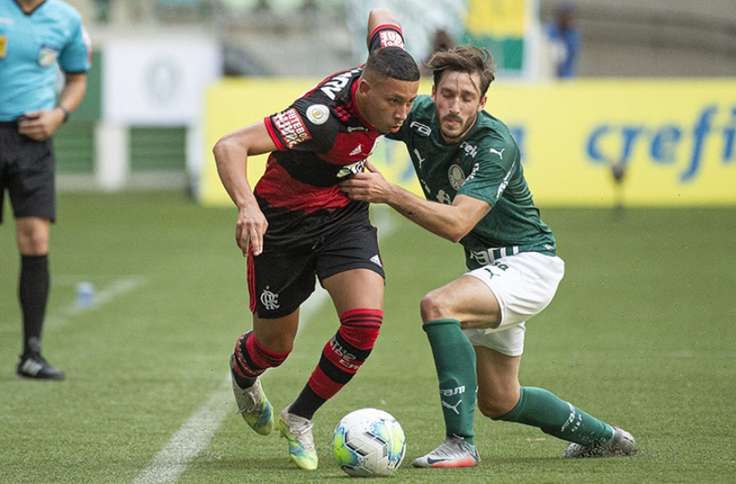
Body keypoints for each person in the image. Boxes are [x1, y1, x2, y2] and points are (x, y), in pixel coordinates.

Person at [340, 46, 636, 467]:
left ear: (482, 102)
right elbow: (366, 110)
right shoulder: (419, 115)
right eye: (447, 94)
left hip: (529, 264)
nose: (454, 106)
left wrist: (389, 192)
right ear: (434, 93)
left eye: (466, 97)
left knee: (438, 306)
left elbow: (458, 223)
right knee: (500, 400)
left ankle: (460, 443)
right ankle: (605, 437)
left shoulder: (495, 145)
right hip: (489, 269)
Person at [212, 9, 419, 471]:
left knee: (364, 323)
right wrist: (247, 207)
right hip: (282, 225)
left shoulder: (386, 61)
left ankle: (300, 415)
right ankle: (244, 375)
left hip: (342, 215)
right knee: (274, 348)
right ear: (364, 90)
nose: (402, 114)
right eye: (393, 103)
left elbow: (380, 12)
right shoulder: (315, 118)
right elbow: (229, 145)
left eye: (409, 102)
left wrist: (390, 45)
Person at [1, 0, 90, 380]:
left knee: (36, 239)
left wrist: (59, 114)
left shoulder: (65, 18)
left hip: (32, 141)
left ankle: (31, 354)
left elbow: (76, 78)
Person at [546, 3, 580, 79]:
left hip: (566, 76)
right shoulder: (549, 32)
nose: (570, 18)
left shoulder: (573, 34)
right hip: (549, 77)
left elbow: (571, 56)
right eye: (567, 15)